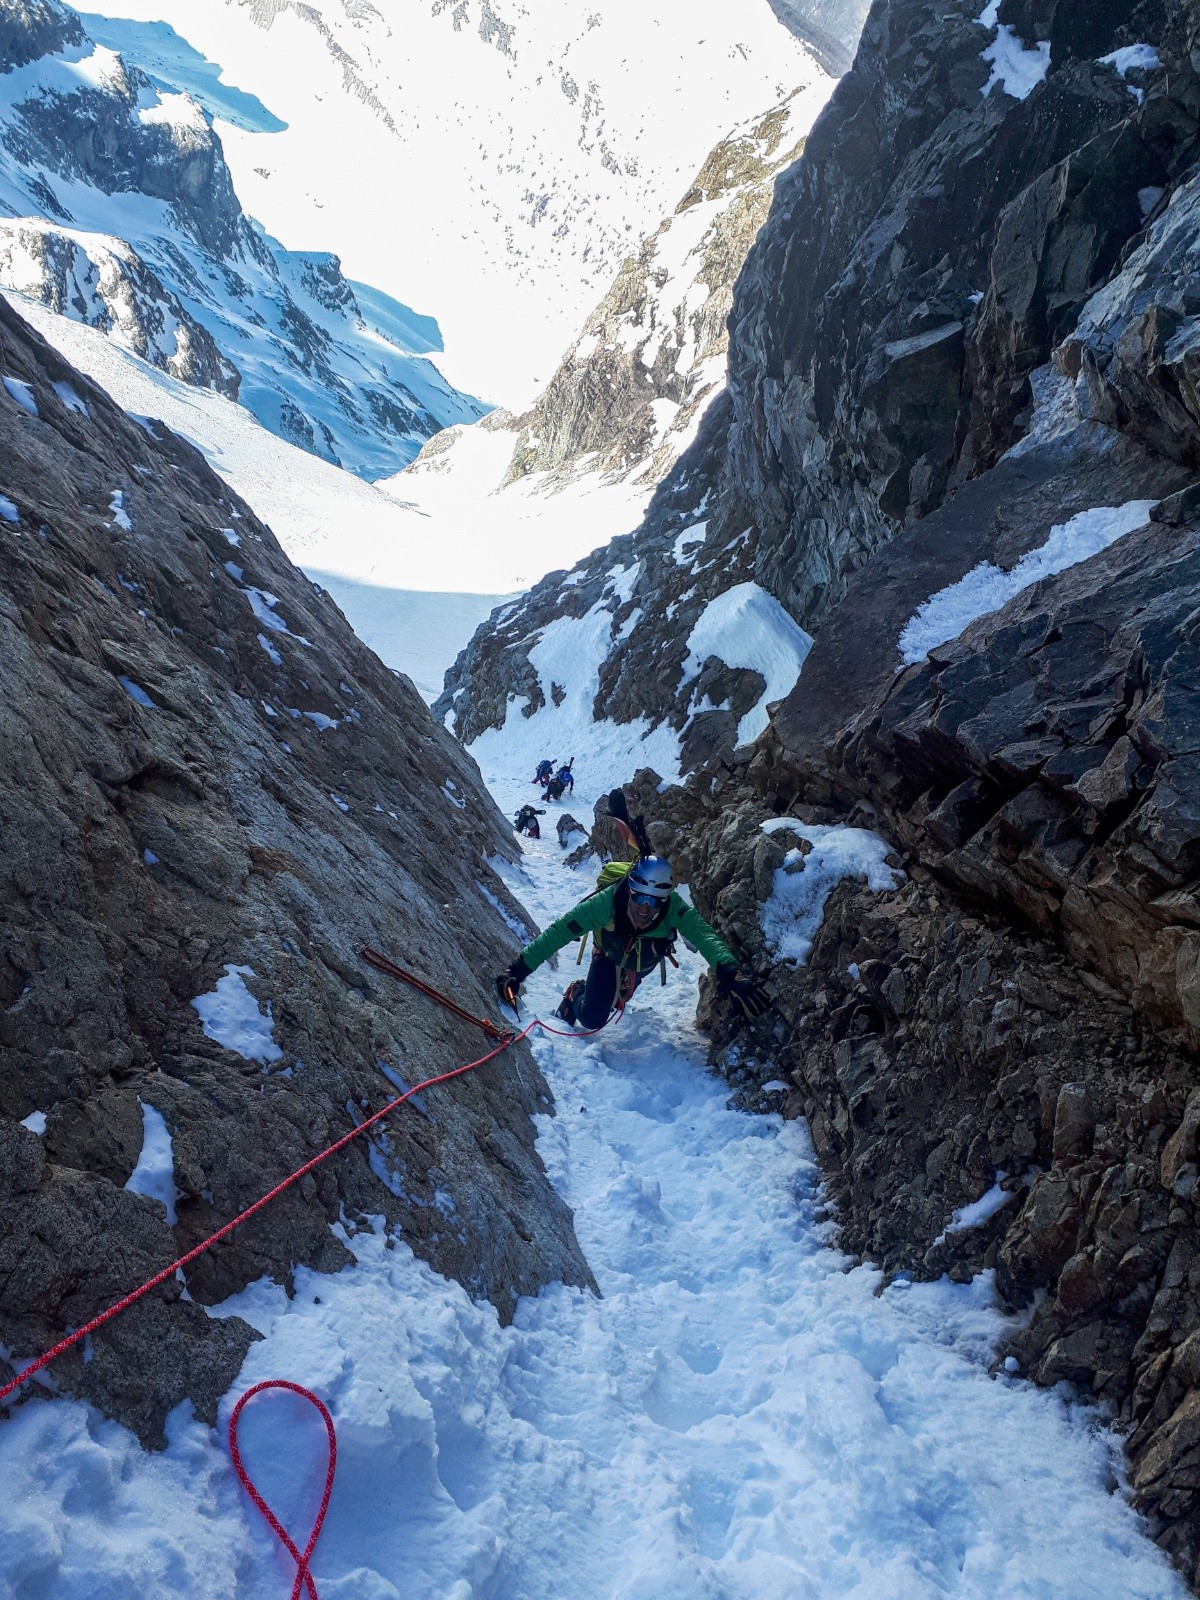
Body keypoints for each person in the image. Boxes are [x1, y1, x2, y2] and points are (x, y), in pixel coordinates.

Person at [495, 853, 771, 1028]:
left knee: (618, 998)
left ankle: (605, 992)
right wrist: (516, 971)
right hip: (609, 955)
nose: (645, 908)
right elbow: (559, 933)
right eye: (639, 897)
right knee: (592, 1017)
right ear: (629, 891)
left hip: (642, 961)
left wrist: (729, 972)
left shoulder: (673, 906)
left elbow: (704, 935)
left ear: (664, 899)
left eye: (654, 901)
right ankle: (574, 994)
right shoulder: (604, 904)